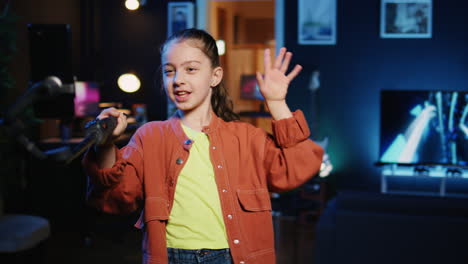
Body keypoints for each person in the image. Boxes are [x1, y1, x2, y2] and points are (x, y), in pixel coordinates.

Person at [82, 28, 324, 264]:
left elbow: (298, 166)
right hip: (171, 256)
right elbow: (116, 199)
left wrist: (277, 102)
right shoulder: (150, 136)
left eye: (190, 69)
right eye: (169, 71)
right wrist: (105, 145)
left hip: (233, 257)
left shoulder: (247, 138)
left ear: (215, 76)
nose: (178, 80)